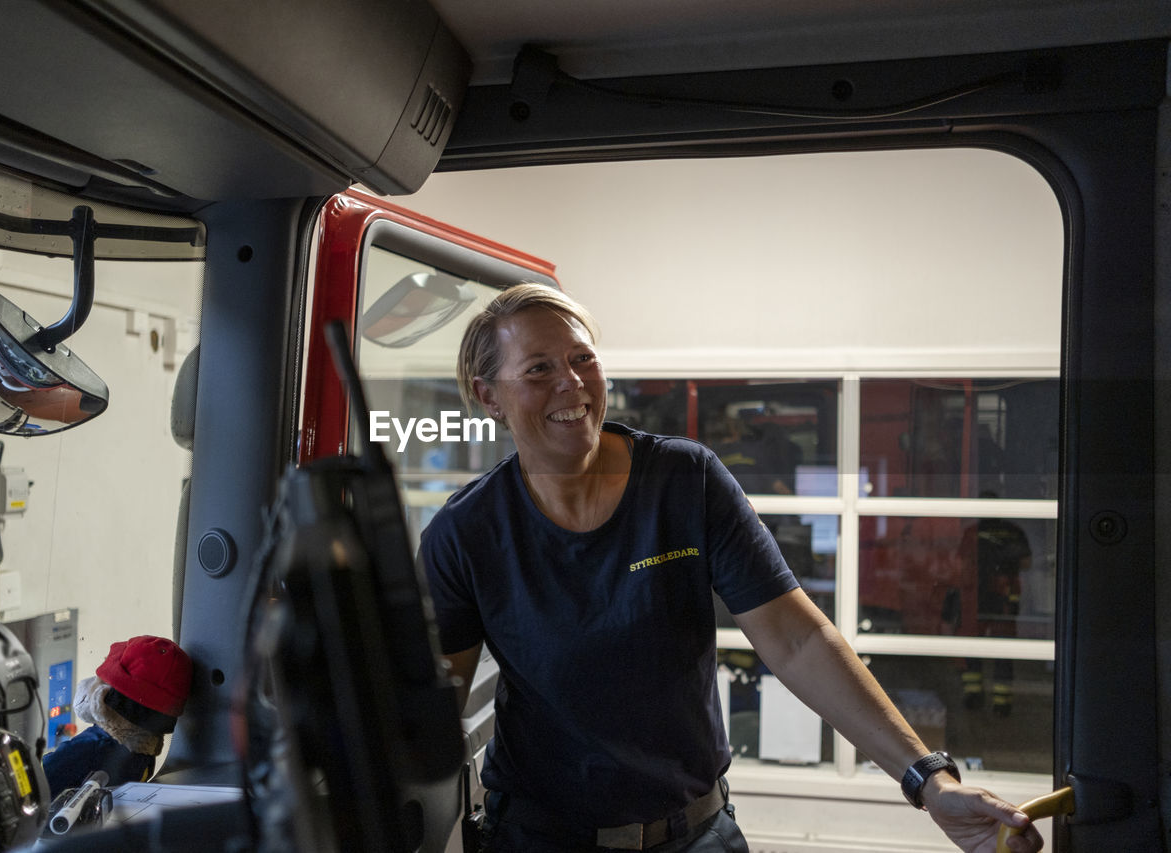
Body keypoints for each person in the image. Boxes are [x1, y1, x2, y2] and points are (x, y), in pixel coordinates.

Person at [419, 283, 1043, 853]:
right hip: (538, 839)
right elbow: (430, 705)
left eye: (582, 358)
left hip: (694, 834)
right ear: (488, 396)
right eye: (538, 369)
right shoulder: (465, 532)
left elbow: (796, 641)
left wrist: (928, 779)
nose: (572, 383)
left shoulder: (684, 481)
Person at [42, 635, 192, 798]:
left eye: (100, 681)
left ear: (105, 699)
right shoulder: (143, 754)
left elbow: (36, 781)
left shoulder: (92, 748)